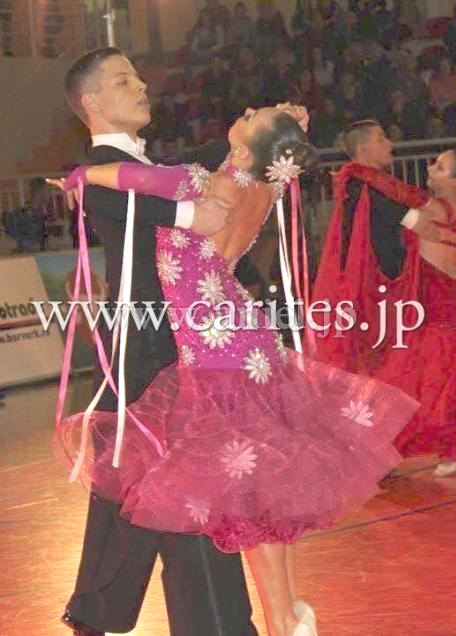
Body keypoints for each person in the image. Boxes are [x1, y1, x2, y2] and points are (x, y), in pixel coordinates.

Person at [54, 107, 420, 636]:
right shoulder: (264, 186)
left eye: (250, 117)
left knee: (251, 497)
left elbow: (135, 176)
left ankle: (282, 619)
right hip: (245, 340)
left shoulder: (206, 184)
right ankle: (289, 612)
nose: (242, 112)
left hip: (216, 349)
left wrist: (82, 174)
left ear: (246, 149)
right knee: (268, 488)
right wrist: (280, 129)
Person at [55, 47, 258, 636]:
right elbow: (195, 213)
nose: (141, 86)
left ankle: (99, 608)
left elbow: (205, 197)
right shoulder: (102, 175)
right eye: (124, 80)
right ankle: (214, 625)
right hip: (146, 340)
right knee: (185, 483)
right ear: (92, 102)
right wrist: (200, 202)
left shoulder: (139, 169)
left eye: (139, 77)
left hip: (166, 335)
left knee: (133, 479)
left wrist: (244, 149)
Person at [312, 120, 455, 375]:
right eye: (381, 138)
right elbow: (372, 199)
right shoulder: (355, 181)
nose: (390, 144)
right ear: (363, 149)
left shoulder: (384, 186)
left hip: (394, 287)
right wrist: (409, 217)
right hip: (368, 286)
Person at [376, 151, 456, 477]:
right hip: (439, 309)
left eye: (439, 167)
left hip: (438, 311)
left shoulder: (438, 207)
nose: (429, 167)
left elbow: (393, 192)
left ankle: (386, 451)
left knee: (422, 383)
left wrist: (356, 170)